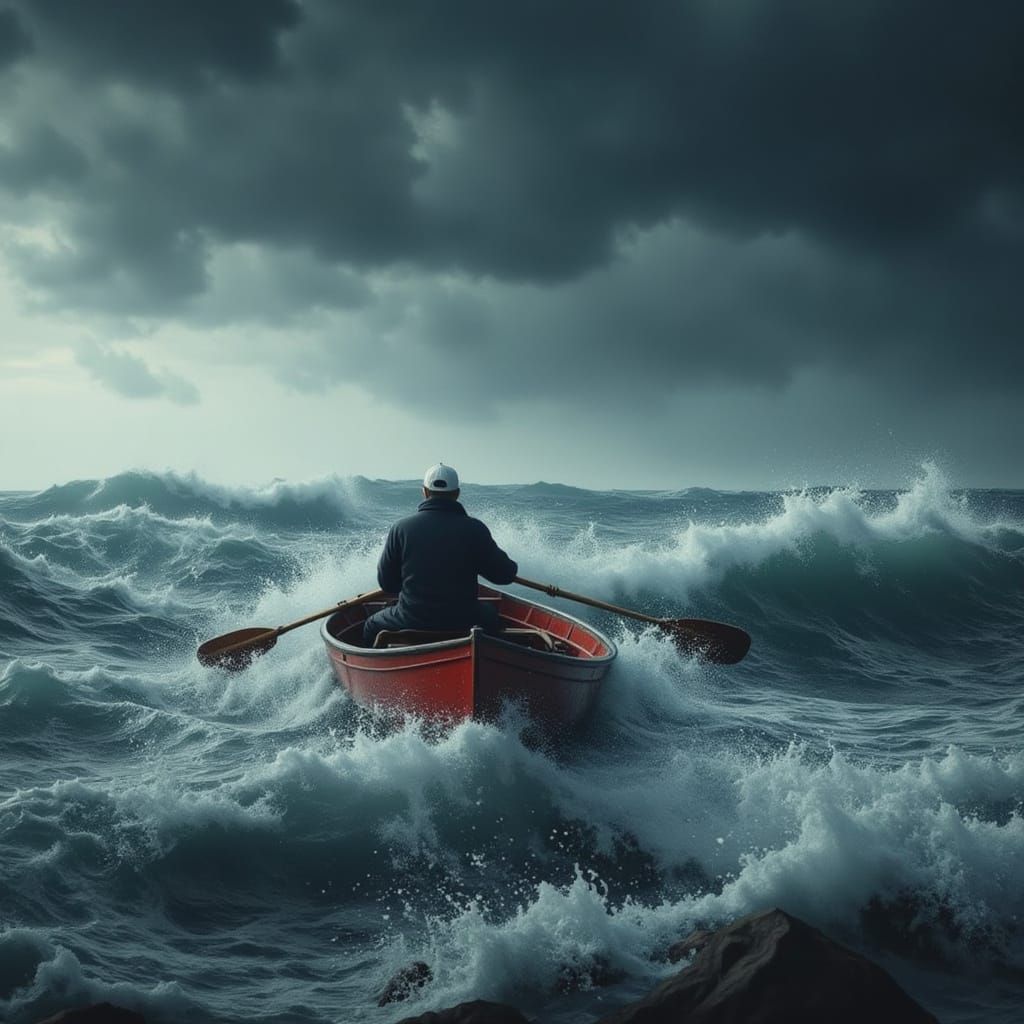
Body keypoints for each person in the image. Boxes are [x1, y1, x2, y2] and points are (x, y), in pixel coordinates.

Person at [362, 463, 518, 646]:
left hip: (411, 619)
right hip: (466, 620)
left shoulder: (401, 528)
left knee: (371, 625)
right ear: (457, 493)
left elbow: (387, 584)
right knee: (491, 616)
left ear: (425, 492)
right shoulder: (476, 529)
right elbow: (505, 575)